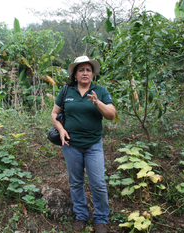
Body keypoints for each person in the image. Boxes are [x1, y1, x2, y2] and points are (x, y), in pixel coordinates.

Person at [51, 56, 116, 233]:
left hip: (93, 145)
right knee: (76, 182)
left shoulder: (100, 90)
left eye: (88, 70)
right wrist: (61, 129)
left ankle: (101, 218)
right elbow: (54, 113)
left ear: (92, 73)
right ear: (75, 74)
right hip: (70, 145)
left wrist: (97, 102)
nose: (85, 73)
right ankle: (81, 215)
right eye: (81, 70)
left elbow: (111, 114)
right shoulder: (66, 90)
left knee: (98, 182)